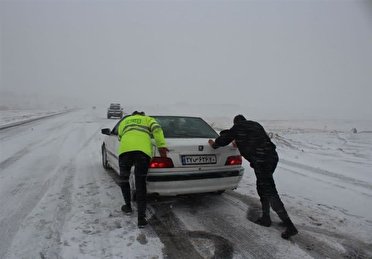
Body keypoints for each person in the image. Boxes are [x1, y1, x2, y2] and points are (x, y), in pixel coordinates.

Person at [208, 114, 298, 239]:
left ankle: (290, 226)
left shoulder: (237, 127)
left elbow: (222, 142)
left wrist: (213, 144)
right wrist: (239, 141)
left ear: (235, 123)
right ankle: (266, 218)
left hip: (261, 160)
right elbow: (255, 140)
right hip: (271, 157)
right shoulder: (255, 125)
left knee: (269, 190)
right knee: (263, 186)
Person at [117, 111, 168, 228]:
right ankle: (141, 219)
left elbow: (120, 137)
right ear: (142, 114)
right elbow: (157, 130)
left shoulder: (125, 121)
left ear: (133, 115)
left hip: (125, 152)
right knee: (140, 184)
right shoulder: (148, 119)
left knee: (124, 179)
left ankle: (128, 207)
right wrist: (161, 146)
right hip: (142, 152)